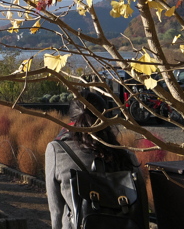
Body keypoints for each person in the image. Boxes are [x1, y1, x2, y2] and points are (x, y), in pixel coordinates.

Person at [45, 90, 147, 229]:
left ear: (71, 119)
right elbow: (141, 202)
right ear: (105, 117)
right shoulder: (124, 154)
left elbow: (56, 209)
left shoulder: (57, 150)